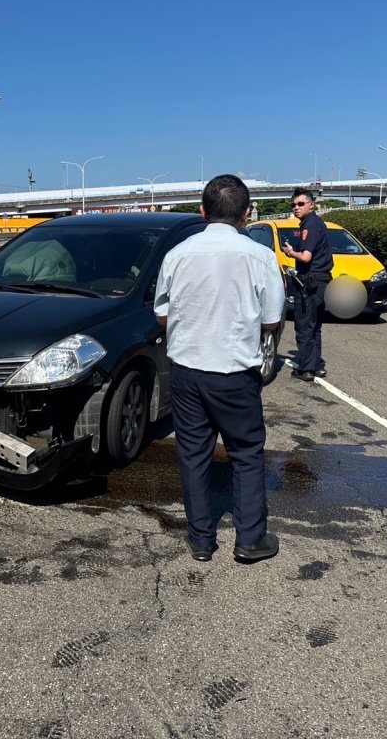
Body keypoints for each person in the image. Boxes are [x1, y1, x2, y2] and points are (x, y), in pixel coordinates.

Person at [153, 175, 286, 563]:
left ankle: (200, 540)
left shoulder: (177, 254)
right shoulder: (260, 257)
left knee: (193, 453)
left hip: (187, 369)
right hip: (235, 372)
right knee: (245, 453)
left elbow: (161, 315)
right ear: (247, 214)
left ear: (201, 212)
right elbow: (273, 320)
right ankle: (249, 539)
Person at [282, 187, 333, 381]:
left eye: (301, 204)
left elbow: (305, 256)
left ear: (311, 205)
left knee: (304, 324)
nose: (296, 208)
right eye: (293, 204)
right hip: (322, 279)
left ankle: (306, 368)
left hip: (310, 280)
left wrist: (290, 252)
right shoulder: (318, 223)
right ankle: (317, 365)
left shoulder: (309, 225)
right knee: (315, 325)